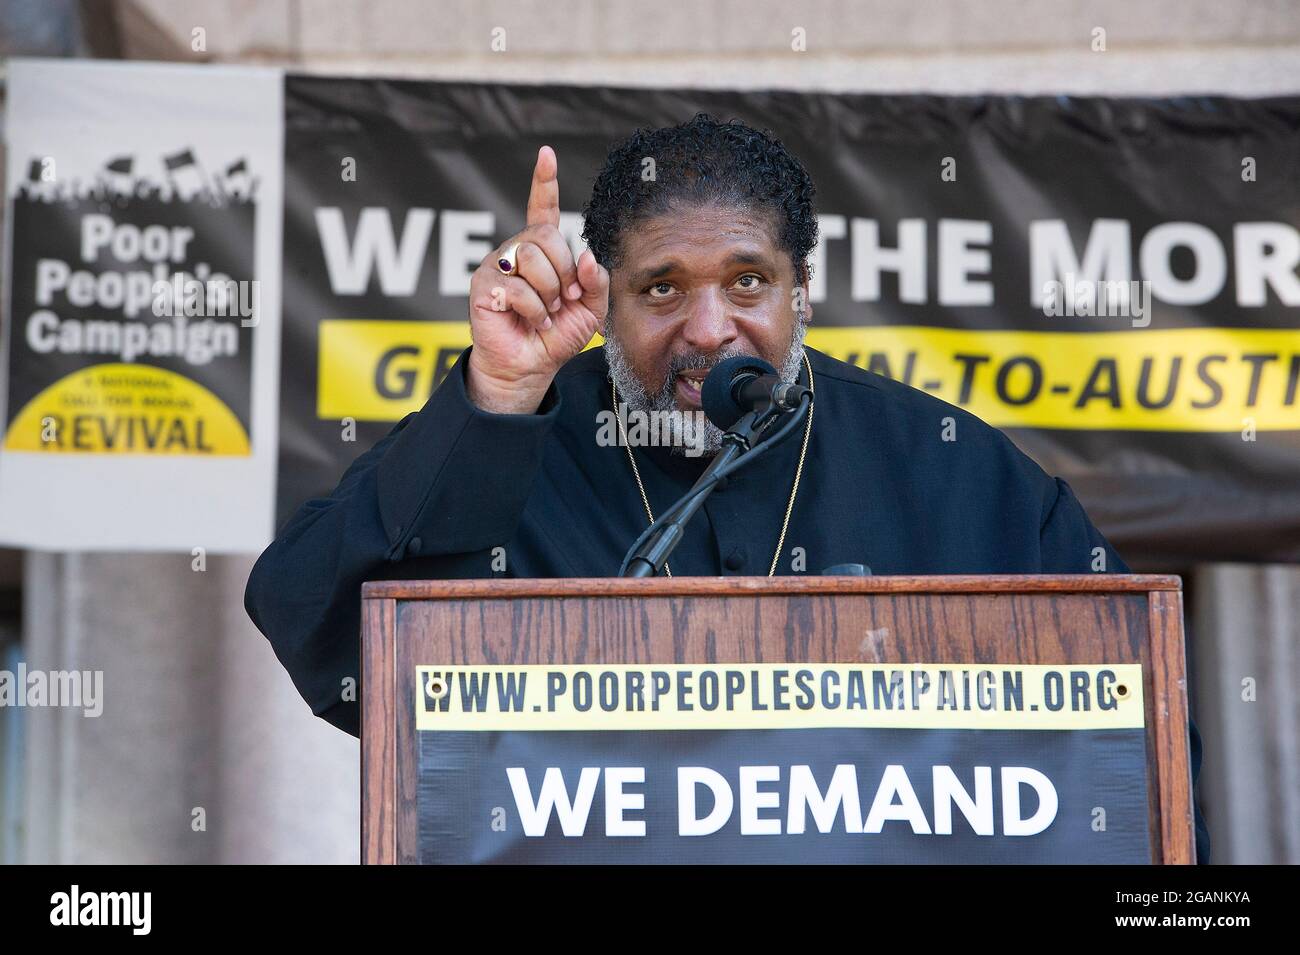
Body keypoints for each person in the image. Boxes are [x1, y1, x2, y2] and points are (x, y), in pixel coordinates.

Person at [244, 113, 1209, 862]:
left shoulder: (951, 466)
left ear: (803, 291)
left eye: (748, 281)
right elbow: (315, 627)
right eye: (662, 287)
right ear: (605, 301)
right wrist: (496, 396)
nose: (709, 329)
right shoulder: (514, 433)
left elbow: (1136, 735)